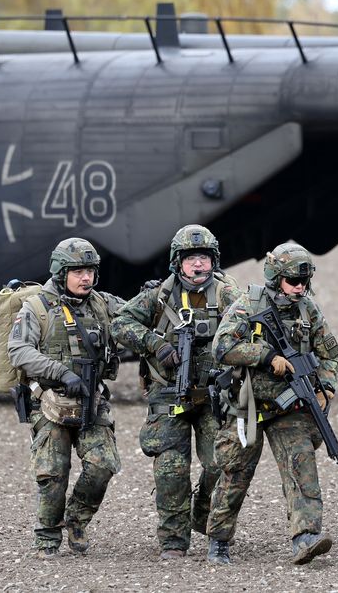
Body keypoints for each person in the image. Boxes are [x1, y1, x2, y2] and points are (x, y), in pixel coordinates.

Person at [204, 243, 338, 566]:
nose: (299, 287)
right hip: (248, 405)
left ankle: (305, 536)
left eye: (304, 281)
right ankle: (219, 540)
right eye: (293, 281)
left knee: (301, 465)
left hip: (288, 407)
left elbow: (330, 356)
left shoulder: (308, 311)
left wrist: (326, 388)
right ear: (276, 277)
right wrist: (266, 356)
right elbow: (222, 346)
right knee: (235, 472)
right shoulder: (249, 304)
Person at [110, 225, 242, 560]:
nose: (198, 264)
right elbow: (120, 324)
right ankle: (173, 540)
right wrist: (155, 344)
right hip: (168, 393)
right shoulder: (158, 295)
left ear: (214, 261)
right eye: (191, 258)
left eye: (204, 258)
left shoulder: (228, 294)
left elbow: (253, 325)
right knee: (171, 469)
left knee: (221, 463)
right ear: (177, 262)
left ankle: (204, 515)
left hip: (213, 396)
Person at [7, 237, 125, 559]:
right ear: (61, 273)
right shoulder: (37, 308)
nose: (86, 278)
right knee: (52, 473)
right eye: (77, 272)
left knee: (103, 464)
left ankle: (76, 518)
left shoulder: (103, 304)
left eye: (90, 271)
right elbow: (18, 350)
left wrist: (154, 295)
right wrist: (61, 373)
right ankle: (47, 537)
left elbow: (136, 317)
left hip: (91, 400)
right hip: (49, 401)